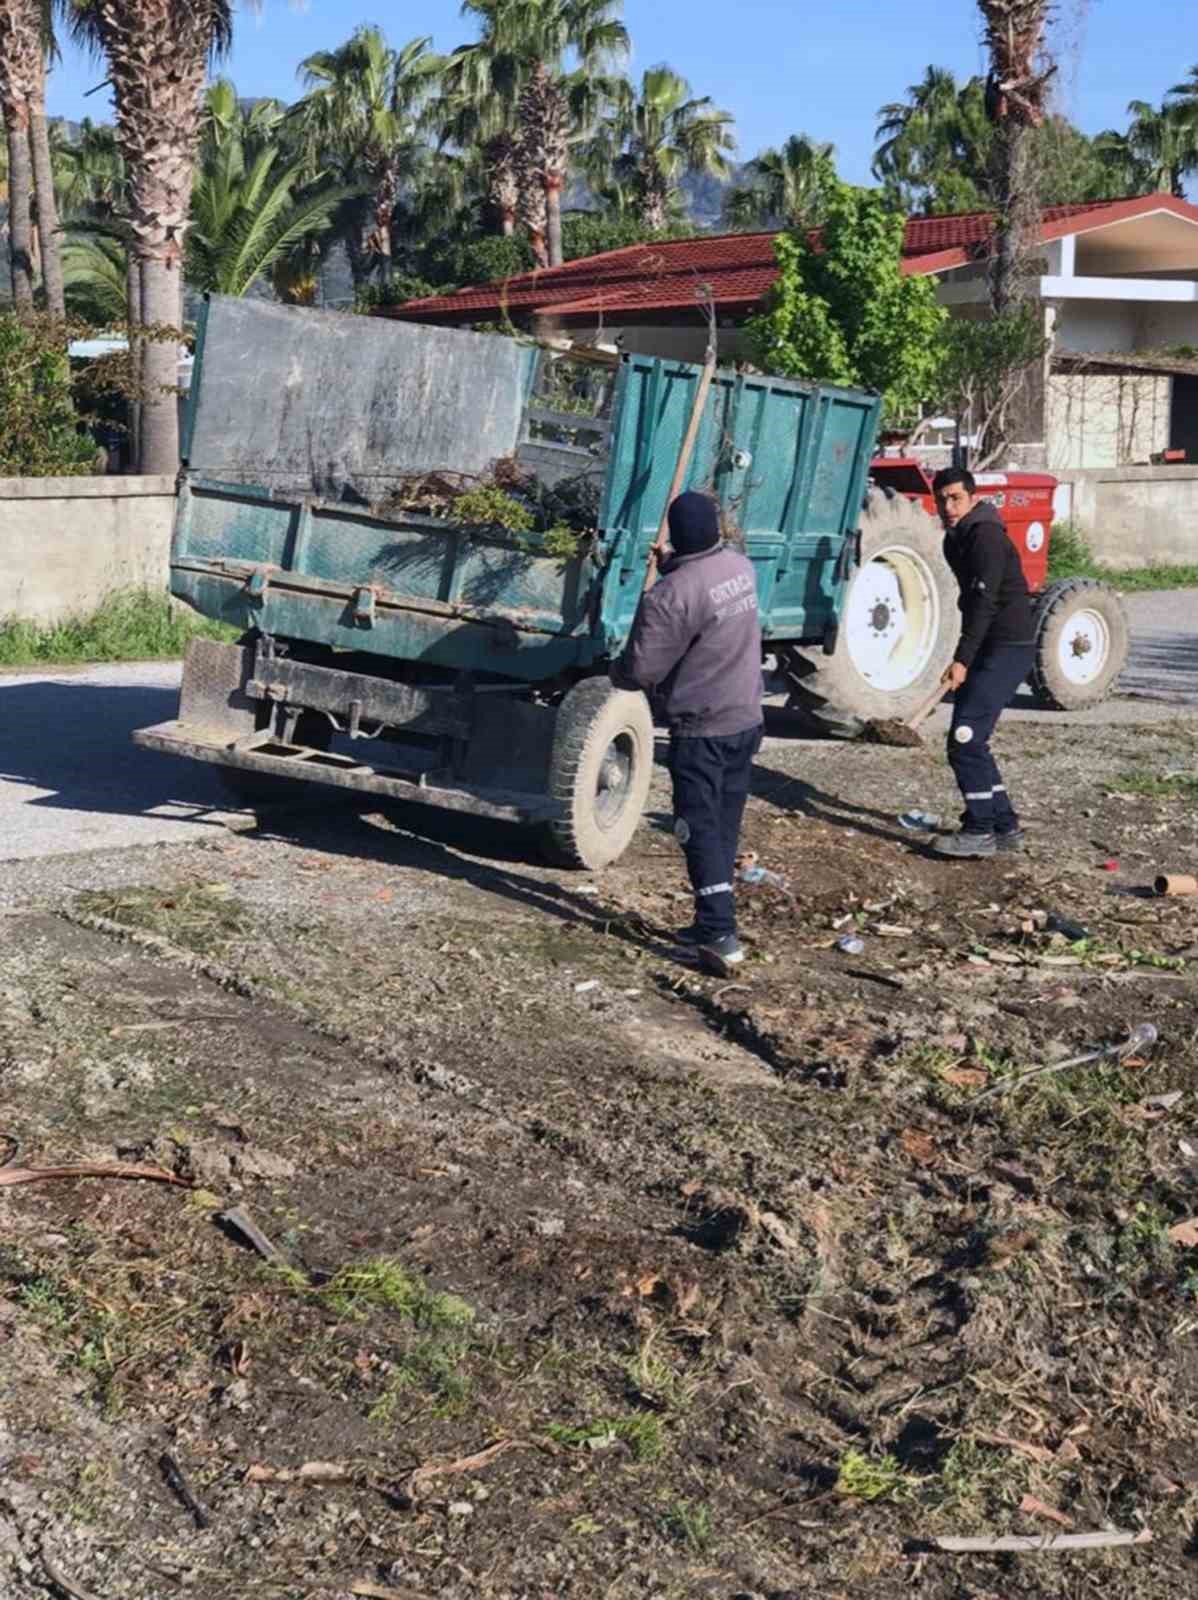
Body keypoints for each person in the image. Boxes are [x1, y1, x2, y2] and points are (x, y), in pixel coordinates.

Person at [611, 491, 763, 976]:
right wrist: (675, 566)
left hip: (702, 729)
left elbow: (640, 671)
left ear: (675, 534)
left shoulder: (669, 596)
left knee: (696, 829)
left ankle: (720, 936)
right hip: (746, 719)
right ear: (716, 530)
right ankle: (710, 919)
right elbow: (704, 583)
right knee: (723, 824)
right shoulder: (740, 567)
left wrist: (620, 660)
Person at [931, 466, 1036, 859]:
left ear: (972, 498)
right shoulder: (955, 540)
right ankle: (1004, 826)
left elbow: (984, 604)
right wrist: (966, 656)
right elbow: (970, 604)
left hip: (1009, 645)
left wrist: (962, 660)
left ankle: (979, 830)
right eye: (941, 499)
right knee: (973, 737)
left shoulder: (986, 537)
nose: (947, 506)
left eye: (955, 498)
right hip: (990, 646)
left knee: (965, 740)